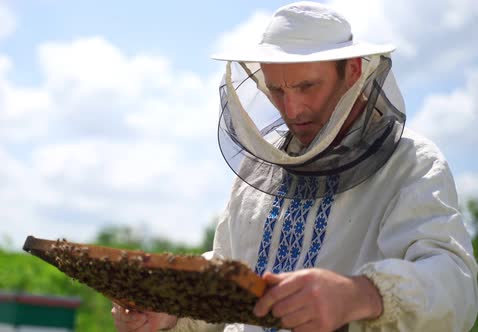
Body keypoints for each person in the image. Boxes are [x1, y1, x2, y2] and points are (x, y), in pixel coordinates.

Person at [111, 2, 478, 331]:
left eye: (307, 86)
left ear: (352, 71)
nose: (292, 109)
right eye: (277, 90)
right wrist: (171, 312)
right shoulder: (262, 167)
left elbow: (455, 287)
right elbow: (230, 274)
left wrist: (359, 295)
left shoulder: (413, 163)